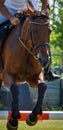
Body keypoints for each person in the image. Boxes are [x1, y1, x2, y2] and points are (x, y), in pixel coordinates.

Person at [0, 0, 60, 81]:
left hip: (31, 12)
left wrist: (43, 13)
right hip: (8, 10)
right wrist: (11, 17)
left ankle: (48, 70)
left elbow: (45, 2)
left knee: (42, 33)